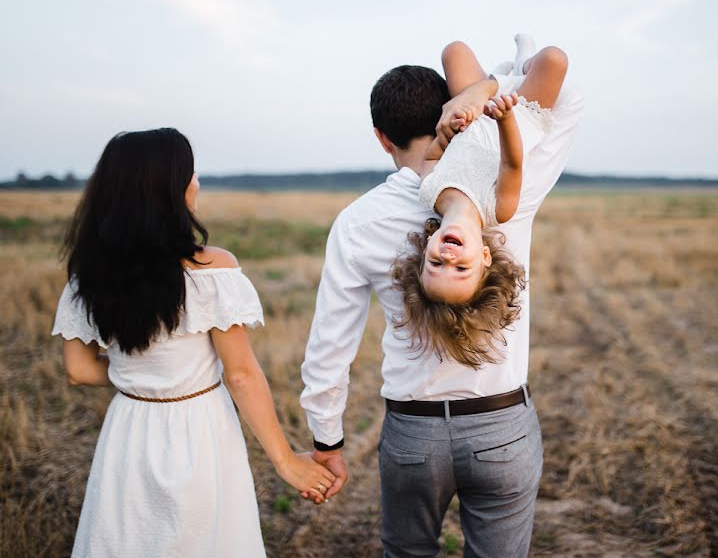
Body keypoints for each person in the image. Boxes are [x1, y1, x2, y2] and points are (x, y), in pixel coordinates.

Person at [300, 36, 584, 557]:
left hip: (414, 434)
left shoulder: (357, 222)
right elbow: (561, 93)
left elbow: (330, 345)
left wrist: (328, 441)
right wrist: (492, 88)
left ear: (381, 138)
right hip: (502, 425)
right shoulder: (513, 192)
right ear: (447, 110)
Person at [52, 128, 336, 558]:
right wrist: (286, 462)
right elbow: (240, 375)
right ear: (170, 188)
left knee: (128, 541)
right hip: (199, 427)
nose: (196, 181)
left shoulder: (85, 277)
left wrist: (142, 375)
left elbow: (78, 370)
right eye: (190, 172)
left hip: (128, 428)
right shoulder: (211, 269)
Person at [390, 37, 564, 369]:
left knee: (453, 51)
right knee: (554, 59)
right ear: (484, 256)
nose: (448, 258)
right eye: (461, 268)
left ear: (427, 249)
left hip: (472, 116)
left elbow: (433, 155)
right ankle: (521, 64)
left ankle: (498, 76)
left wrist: (450, 133)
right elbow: (512, 165)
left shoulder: (430, 192)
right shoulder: (497, 210)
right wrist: (505, 120)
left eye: (436, 265)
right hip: (518, 114)